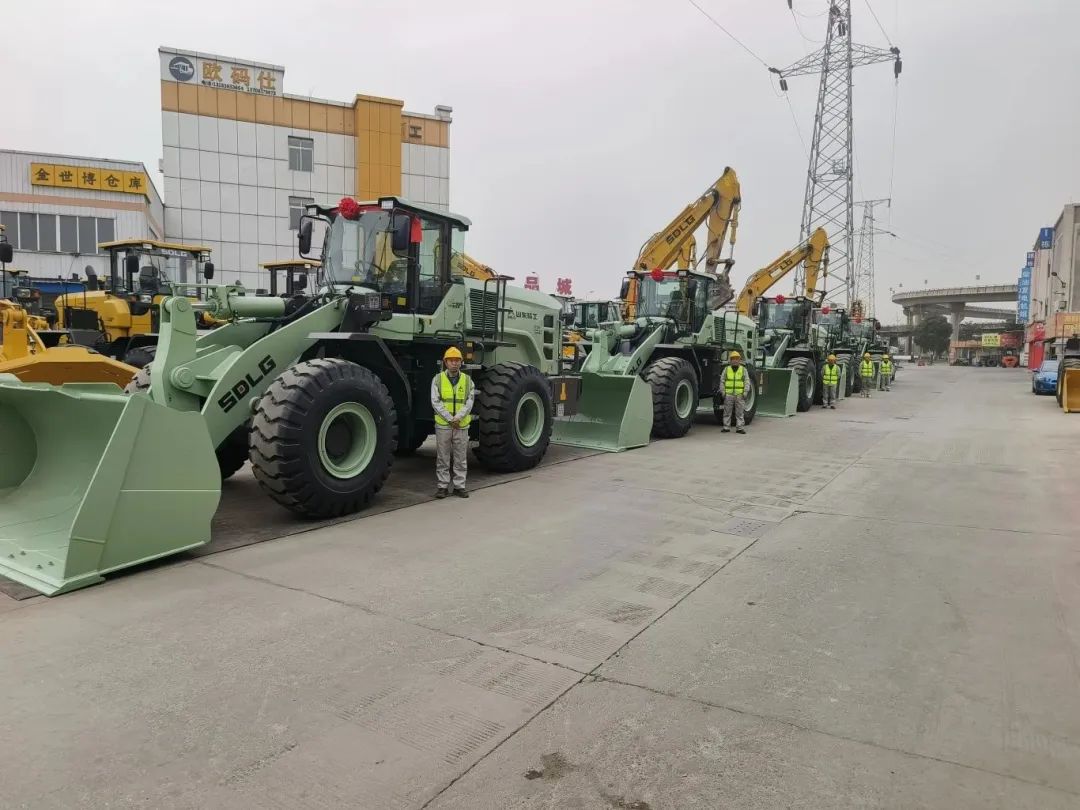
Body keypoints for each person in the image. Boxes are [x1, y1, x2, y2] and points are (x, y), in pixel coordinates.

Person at [431, 346, 474, 498]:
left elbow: (469, 402)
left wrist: (458, 418)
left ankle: (459, 486)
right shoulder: (437, 379)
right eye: (451, 360)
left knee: (460, 457)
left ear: (461, 362)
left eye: (457, 360)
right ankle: (442, 487)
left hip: (461, 425)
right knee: (442, 457)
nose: (454, 363)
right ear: (445, 362)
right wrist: (450, 419)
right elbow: (435, 402)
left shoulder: (468, 381)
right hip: (444, 425)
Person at [721, 351, 749, 434]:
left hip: (739, 395)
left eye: (737, 359)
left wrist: (745, 392)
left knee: (740, 412)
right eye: (733, 359)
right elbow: (722, 381)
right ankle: (726, 427)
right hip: (728, 394)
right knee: (727, 411)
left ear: (739, 360)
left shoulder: (743, 370)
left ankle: (740, 428)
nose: (735, 360)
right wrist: (723, 392)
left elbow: (747, 381)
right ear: (730, 360)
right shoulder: (726, 369)